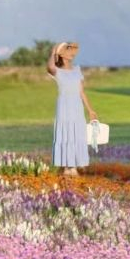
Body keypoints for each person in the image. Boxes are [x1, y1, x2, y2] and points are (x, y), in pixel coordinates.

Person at [47, 41, 98, 176]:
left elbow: (81, 92)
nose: (71, 53)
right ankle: (66, 167)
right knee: (65, 132)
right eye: (67, 50)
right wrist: (53, 52)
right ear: (62, 54)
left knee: (77, 132)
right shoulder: (57, 71)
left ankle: (73, 166)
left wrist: (90, 110)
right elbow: (50, 66)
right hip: (64, 106)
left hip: (76, 106)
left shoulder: (77, 70)